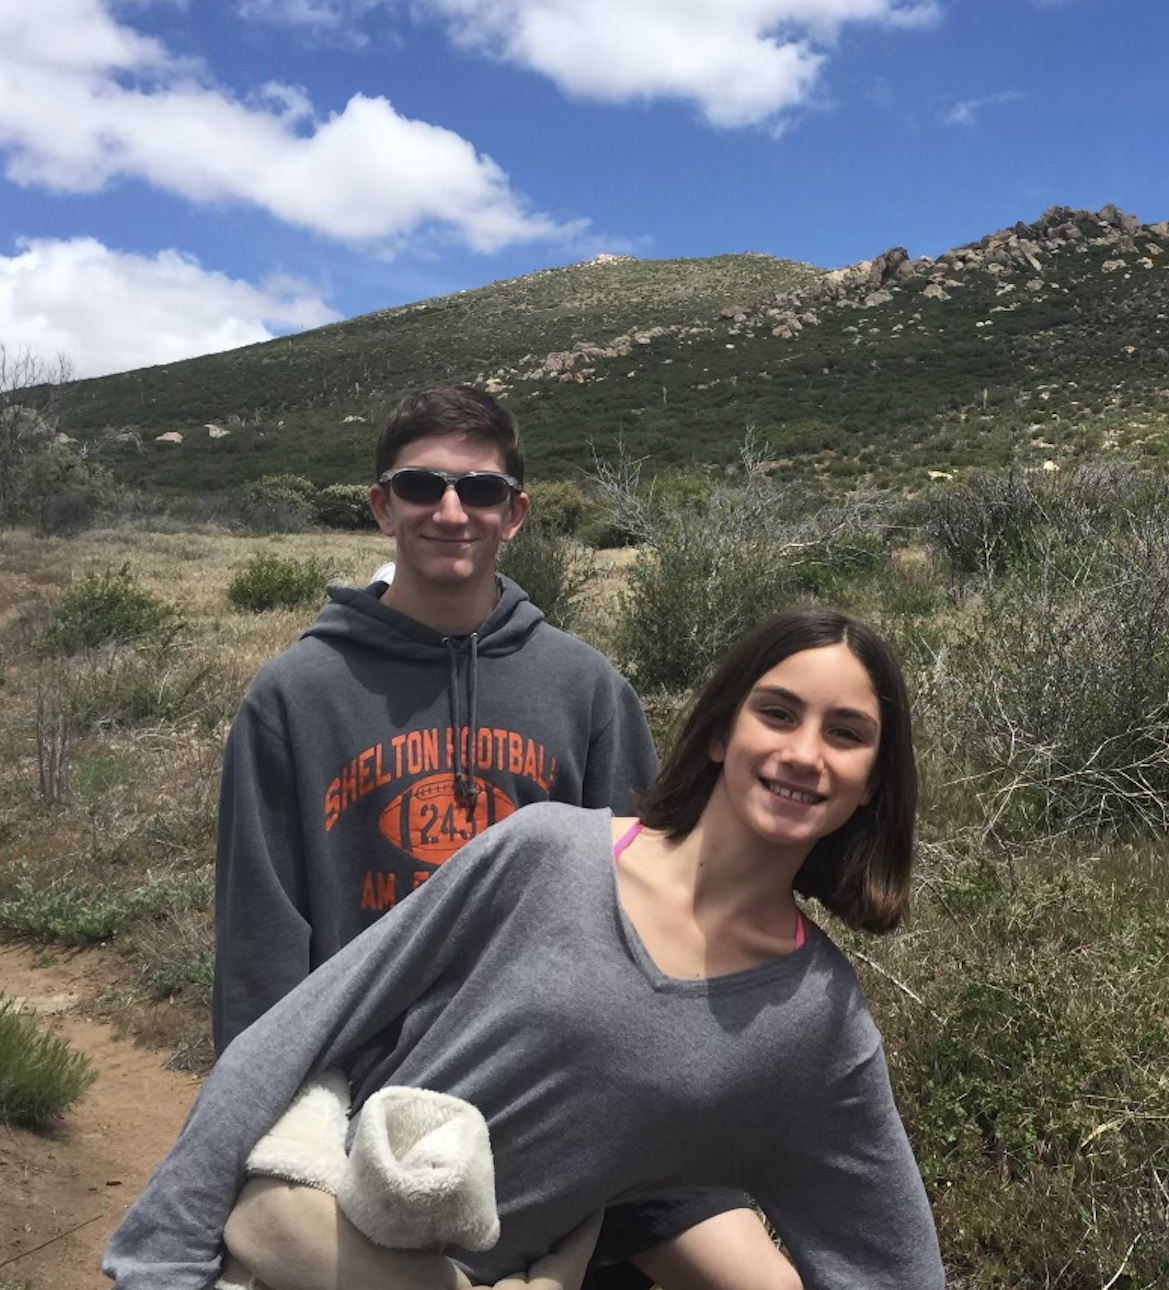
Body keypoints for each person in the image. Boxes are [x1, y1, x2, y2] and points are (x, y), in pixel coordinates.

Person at [104, 607, 945, 1290]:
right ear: (723, 731)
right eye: (778, 712)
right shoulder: (544, 853)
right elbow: (298, 1033)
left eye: (846, 733)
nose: (803, 753)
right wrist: (161, 1260)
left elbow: (890, 1260)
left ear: (873, 781)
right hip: (287, 1250)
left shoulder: (814, 1023)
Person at [212, 385, 794, 1288]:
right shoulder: (293, 698)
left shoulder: (587, 690)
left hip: (563, 1084)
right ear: (381, 505)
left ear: (515, 514)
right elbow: (262, 942)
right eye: (422, 486)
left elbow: (650, 908)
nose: (451, 511)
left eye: (480, 492)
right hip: (367, 1096)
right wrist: (250, 1130)